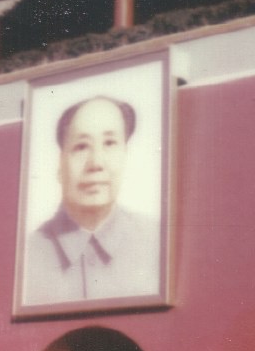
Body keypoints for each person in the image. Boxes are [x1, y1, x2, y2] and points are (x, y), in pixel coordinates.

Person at [23, 96, 161, 305]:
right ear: (60, 163)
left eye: (110, 143)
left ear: (125, 155)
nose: (96, 163)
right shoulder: (26, 258)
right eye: (81, 147)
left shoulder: (159, 242)